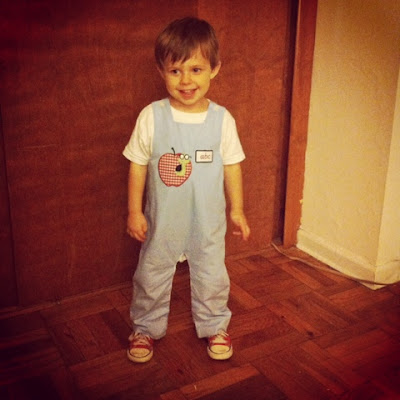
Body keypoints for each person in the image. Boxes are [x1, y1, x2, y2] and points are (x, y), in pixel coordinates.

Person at [123, 16, 250, 363]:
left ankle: (215, 325)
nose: (186, 80)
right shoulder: (152, 116)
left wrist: (237, 209)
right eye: (175, 71)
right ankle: (145, 327)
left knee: (212, 273)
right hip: (163, 220)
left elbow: (232, 165)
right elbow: (137, 164)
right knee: (151, 272)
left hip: (207, 221)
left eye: (196, 69)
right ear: (161, 71)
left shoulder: (222, 120)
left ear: (214, 70)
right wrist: (134, 211)